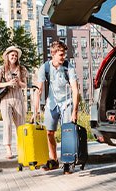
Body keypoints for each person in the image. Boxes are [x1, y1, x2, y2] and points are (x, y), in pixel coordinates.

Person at [31, 41, 79, 170]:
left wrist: (74, 111)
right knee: (49, 132)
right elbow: (38, 91)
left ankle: (68, 162)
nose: (63, 57)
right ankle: (54, 160)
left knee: (67, 132)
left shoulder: (69, 67)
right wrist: (34, 113)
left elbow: (75, 89)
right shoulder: (45, 68)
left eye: (64, 54)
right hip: (52, 103)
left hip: (67, 102)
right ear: (52, 54)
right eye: (61, 55)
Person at [0, 46, 28, 159]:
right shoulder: (2, 69)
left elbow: (25, 85)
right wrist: (8, 83)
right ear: (7, 56)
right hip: (6, 98)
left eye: (15, 55)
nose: (14, 57)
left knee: (20, 124)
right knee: (7, 123)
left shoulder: (22, 69)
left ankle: (21, 148)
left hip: (18, 98)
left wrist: (19, 82)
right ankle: (8, 149)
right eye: (12, 55)